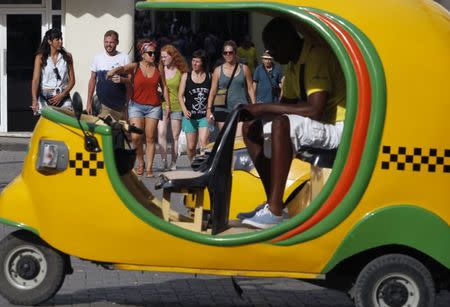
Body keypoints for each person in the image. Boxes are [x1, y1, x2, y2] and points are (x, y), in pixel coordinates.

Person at [239, 17, 346, 229]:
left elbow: (314, 110)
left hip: (338, 127)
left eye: (273, 47)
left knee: (282, 124)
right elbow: (285, 104)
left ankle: (276, 211)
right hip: (319, 126)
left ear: (287, 40)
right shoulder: (293, 64)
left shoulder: (316, 55)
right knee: (251, 128)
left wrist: (261, 108)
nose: (271, 53)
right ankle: (272, 202)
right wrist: (252, 114)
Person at [107, 40, 169, 178]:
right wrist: (113, 71)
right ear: (143, 54)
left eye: (154, 53)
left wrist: (168, 105)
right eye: (150, 53)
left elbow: (164, 86)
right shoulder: (136, 66)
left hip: (154, 106)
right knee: (135, 137)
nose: (153, 55)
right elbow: (122, 69)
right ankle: (140, 162)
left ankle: (149, 168)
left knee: (150, 137)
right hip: (136, 106)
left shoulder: (159, 67)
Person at [206, 40, 256, 137]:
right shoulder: (217, 70)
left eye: (230, 52)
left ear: (235, 53)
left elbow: (250, 88)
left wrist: (254, 106)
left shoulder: (244, 68)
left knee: (239, 139)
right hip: (222, 109)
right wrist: (208, 109)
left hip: (240, 108)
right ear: (222, 54)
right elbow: (212, 91)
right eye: (225, 53)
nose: (228, 55)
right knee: (225, 138)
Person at [157, 44, 189, 171]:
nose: (163, 59)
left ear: (172, 56)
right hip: (162, 105)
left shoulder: (181, 71)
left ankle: (173, 162)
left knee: (175, 136)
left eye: (165, 57)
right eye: (162, 57)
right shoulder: (159, 69)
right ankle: (164, 161)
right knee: (161, 133)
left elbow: (183, 91)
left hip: (176, 106)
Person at [87, 30, 131, 120]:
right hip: (102, 105)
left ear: (117, 42)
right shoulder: (98, 58)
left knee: (120, 133)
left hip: (120, 106)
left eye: (111, 42)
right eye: (106, 42)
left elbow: (131, 80)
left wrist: (122, 79)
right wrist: (88, 102)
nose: (108, 45)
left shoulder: (124, 58)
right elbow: (92, 79)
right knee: (103, 132)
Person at [31, 28, 75, 114]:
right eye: (57, 39)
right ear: (50, 41)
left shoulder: (67, 56)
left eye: (61, 39)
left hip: (63, 96)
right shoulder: (40, 57)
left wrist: (63, 94)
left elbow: (72, 80)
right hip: (46, 97)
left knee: (64, 124)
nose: (61, 41)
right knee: (47, 125)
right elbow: (35, 80)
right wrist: (34, 99)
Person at [178, 50, 211, 162]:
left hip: (203, 116)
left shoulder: (209, 77)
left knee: (203, 143)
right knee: (191, 147)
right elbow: (180, 95)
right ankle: (193, 163)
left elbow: (212, 94)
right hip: (189, 116)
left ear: (203, 63)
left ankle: (202, 166)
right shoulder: (185, 76)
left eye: (197, 61)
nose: (194, 64)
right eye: (193, 61)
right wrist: (184, 109)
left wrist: (210, 110)